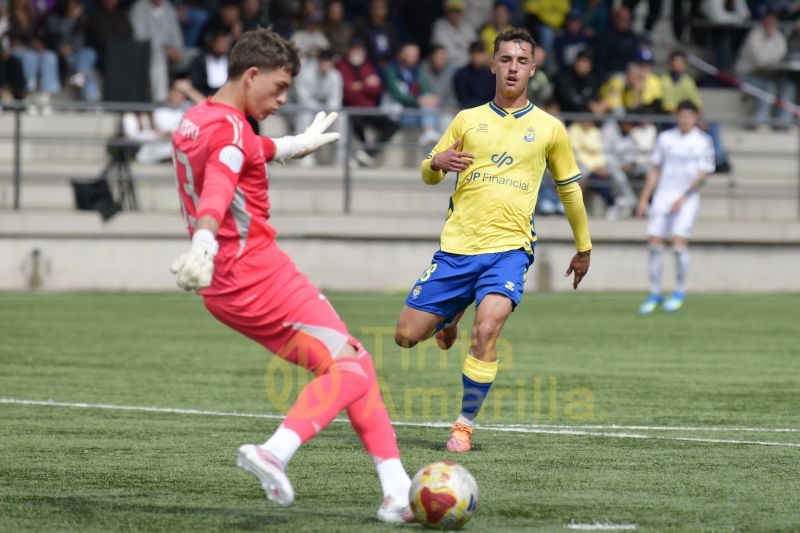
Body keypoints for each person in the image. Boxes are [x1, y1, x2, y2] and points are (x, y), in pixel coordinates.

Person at [168, 29, 413, 523]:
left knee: (355, 365)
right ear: (251, 75)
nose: (283, 99)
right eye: (279, 88)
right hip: (254, 273)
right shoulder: (233, 132)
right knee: (347, 367)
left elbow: (237, 151)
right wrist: (205, 236)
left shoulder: (197, 120)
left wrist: (290, 146)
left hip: (229, 283)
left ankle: (398, 491)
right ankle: (274, 451)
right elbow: (222, 177)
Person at [393, 29, 592, 452]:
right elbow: (429, 174)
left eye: (521, 60)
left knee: (487, 330)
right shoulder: (467, 120)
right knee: (406, 336)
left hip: (509, 250)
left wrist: (584, 246)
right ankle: (448, 317)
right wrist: (436, 161)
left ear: (533, 68)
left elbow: (570, 189)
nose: (513, 67)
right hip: (457, 249)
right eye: (505, 59)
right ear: (492, 65)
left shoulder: (549, 129)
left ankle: (462, 426)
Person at [635, 100, 715, 313]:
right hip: (663, 197)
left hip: (687, 199)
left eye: (689, 115)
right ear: (677, 116)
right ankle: (655, 293)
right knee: (654, 244)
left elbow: (704, 172)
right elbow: (655, 170)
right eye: (682, 115)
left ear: (695, 117)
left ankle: (680, 291)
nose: (685, 119)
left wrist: (683, 196)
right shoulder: (665, 138)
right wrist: (644, 199)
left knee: (678, 244)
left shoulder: (703, 140)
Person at [337, 38, 399, 167]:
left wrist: (360, 86)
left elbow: (377, 89)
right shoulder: (341, 66)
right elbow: (348, 93)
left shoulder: (368, 67)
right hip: (352, 110)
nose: (357, 54)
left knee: (393, 124)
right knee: (357, 122)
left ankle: (368, 153)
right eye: (355, 50)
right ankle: (364, 155)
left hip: (370, 109)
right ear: (348, 51)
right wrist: (367, 84)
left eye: (360, 51)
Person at [735, 8, 795, 129]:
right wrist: (770, 41)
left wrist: (773, 41)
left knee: (789, 87)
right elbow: (761, 60)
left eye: (774, 22)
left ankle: (784, 123)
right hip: (747, 74)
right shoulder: (754, 35)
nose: (771, 24)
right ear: (763, 22)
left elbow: (781, 55)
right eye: (768, 21)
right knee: (769, 87)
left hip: (768, 74)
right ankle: (759, 121)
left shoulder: (779, 36)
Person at [431, 0, 476, 68]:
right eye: (452, 11)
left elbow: (475, 46)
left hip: (468, 67)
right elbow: (447, 55)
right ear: (447, 11)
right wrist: (470, 57)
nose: (455, 14)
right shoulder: (439, 26)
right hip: (447, 68)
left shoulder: (466, 26)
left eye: (458, 11)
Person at [453, 40, 495, 109]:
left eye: (481, 54)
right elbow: (463, 100)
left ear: (486, 55)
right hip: (468, 111)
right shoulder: (461, 74)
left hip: (490, 111)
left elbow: (495, 98)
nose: (478, 58)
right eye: (476, 55)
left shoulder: (492, 74)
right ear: (470, 55)